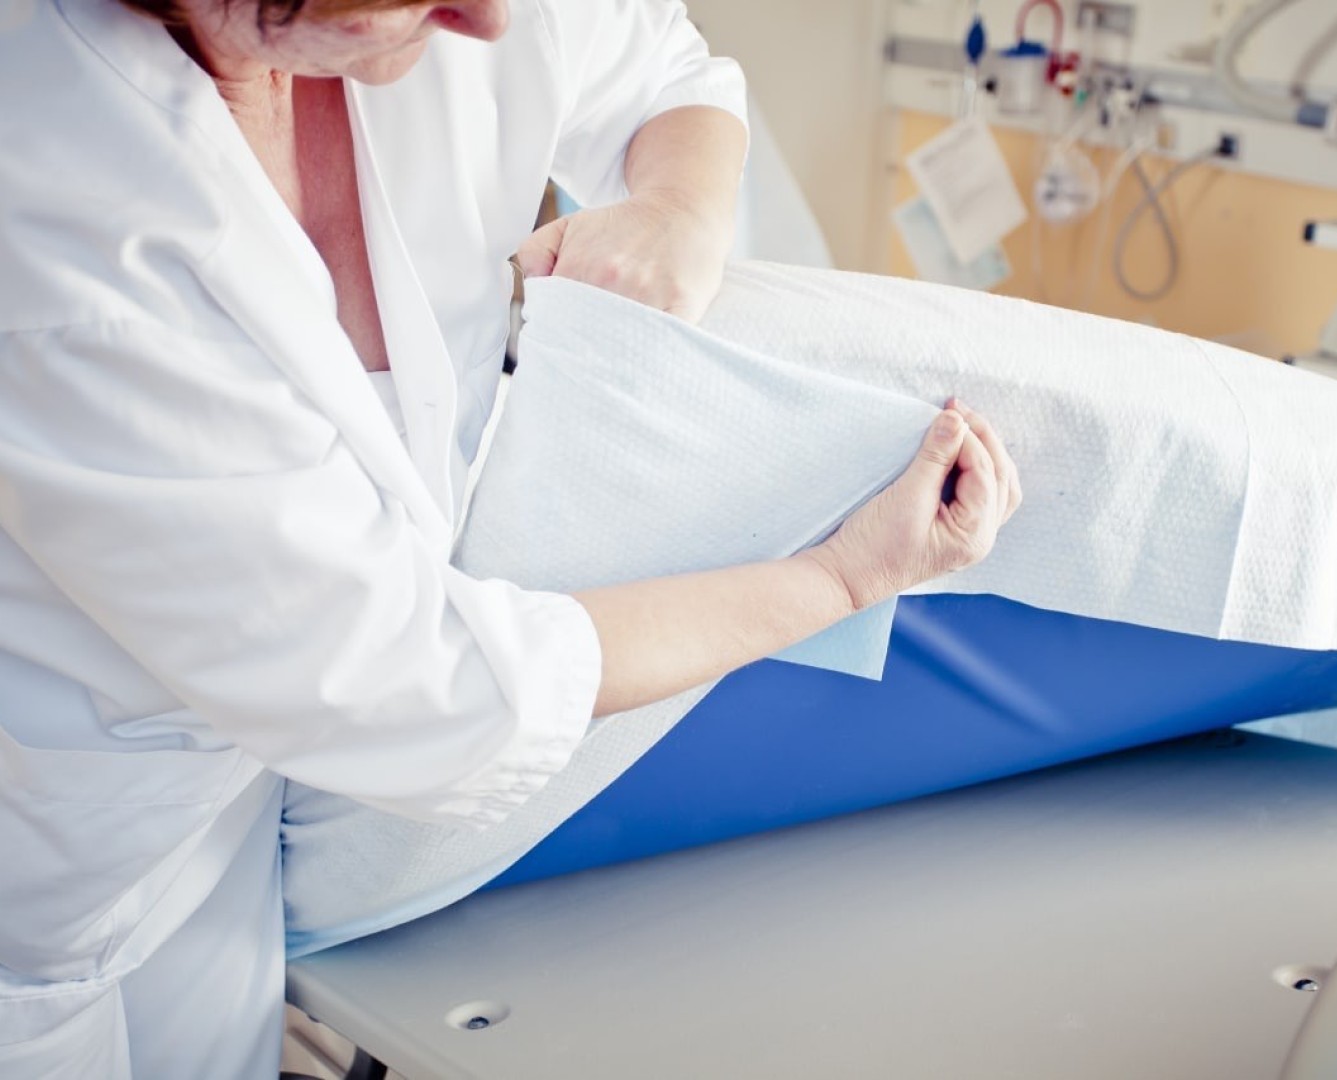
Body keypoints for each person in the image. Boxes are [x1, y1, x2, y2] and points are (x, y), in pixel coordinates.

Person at [0, 0, 1021, 1074]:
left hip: (249, 795)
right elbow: (416, 680)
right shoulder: (61, 194)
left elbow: (667, 70)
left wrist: (680, 207)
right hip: (57, 832)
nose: (489, 21)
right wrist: (843, 573)